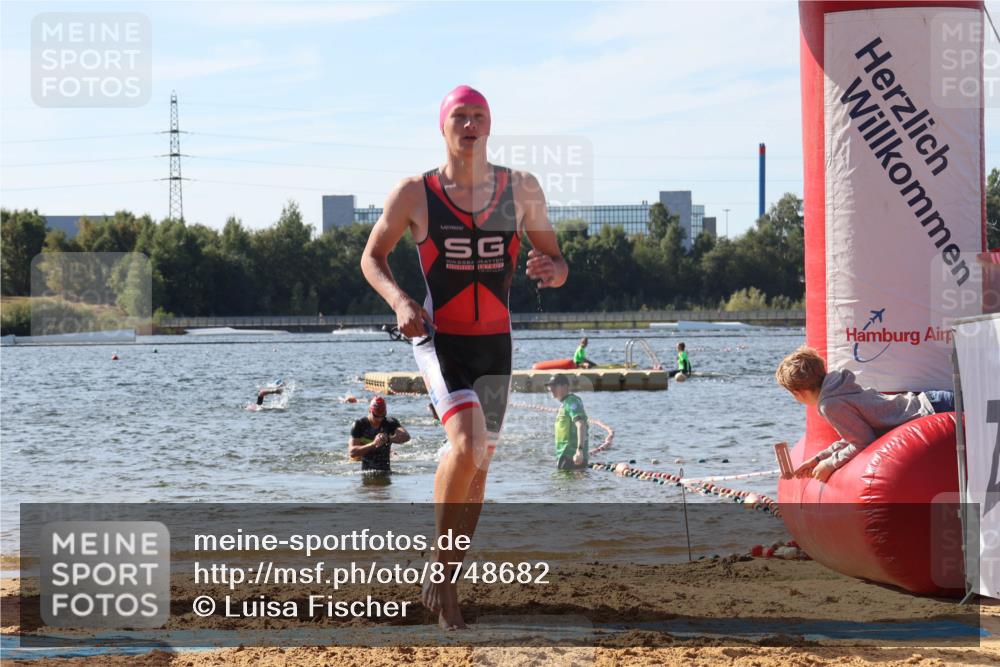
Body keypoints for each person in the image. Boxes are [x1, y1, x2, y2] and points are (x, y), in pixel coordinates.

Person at [360, 84, 568, 629]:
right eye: (461, 116)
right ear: (444, 126)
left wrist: (555, 269)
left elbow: (556, 257)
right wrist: (401, 300)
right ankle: (437, 561)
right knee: (467, 442)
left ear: (490, 124)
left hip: (496, 343)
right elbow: (372, 258)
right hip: (439, 338)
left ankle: (447, 579)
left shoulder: (521, 188)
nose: (470, 124)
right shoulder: (415, 192)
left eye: (479, 115)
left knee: (480, 467)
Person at [774, 346, 955, 482]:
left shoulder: (830, 404)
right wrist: (818, 459)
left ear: (799, 392)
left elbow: (863, 441)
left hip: (934, 410)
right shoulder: (837, 388)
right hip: (935, 401)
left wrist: (830, 465)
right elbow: (855, 436)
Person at [348, 396, 410, 474]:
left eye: (382, 416)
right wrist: (374, 444)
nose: (379, 419)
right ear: (369, 410)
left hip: (386, 472)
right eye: (376, 416)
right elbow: (352, 452)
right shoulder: (359, 425)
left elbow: (406, 436)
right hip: (367, 473)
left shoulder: (389, 422)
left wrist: (388, 439)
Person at [546, 374, 588, 470]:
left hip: (572, 458)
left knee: (566, 483)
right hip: (565, 456)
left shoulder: (571, 402)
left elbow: (581, 424)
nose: (551, 389)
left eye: (554, 386)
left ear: (565, 387)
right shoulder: (565, 403)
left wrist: (579, 450)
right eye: (550, 386)